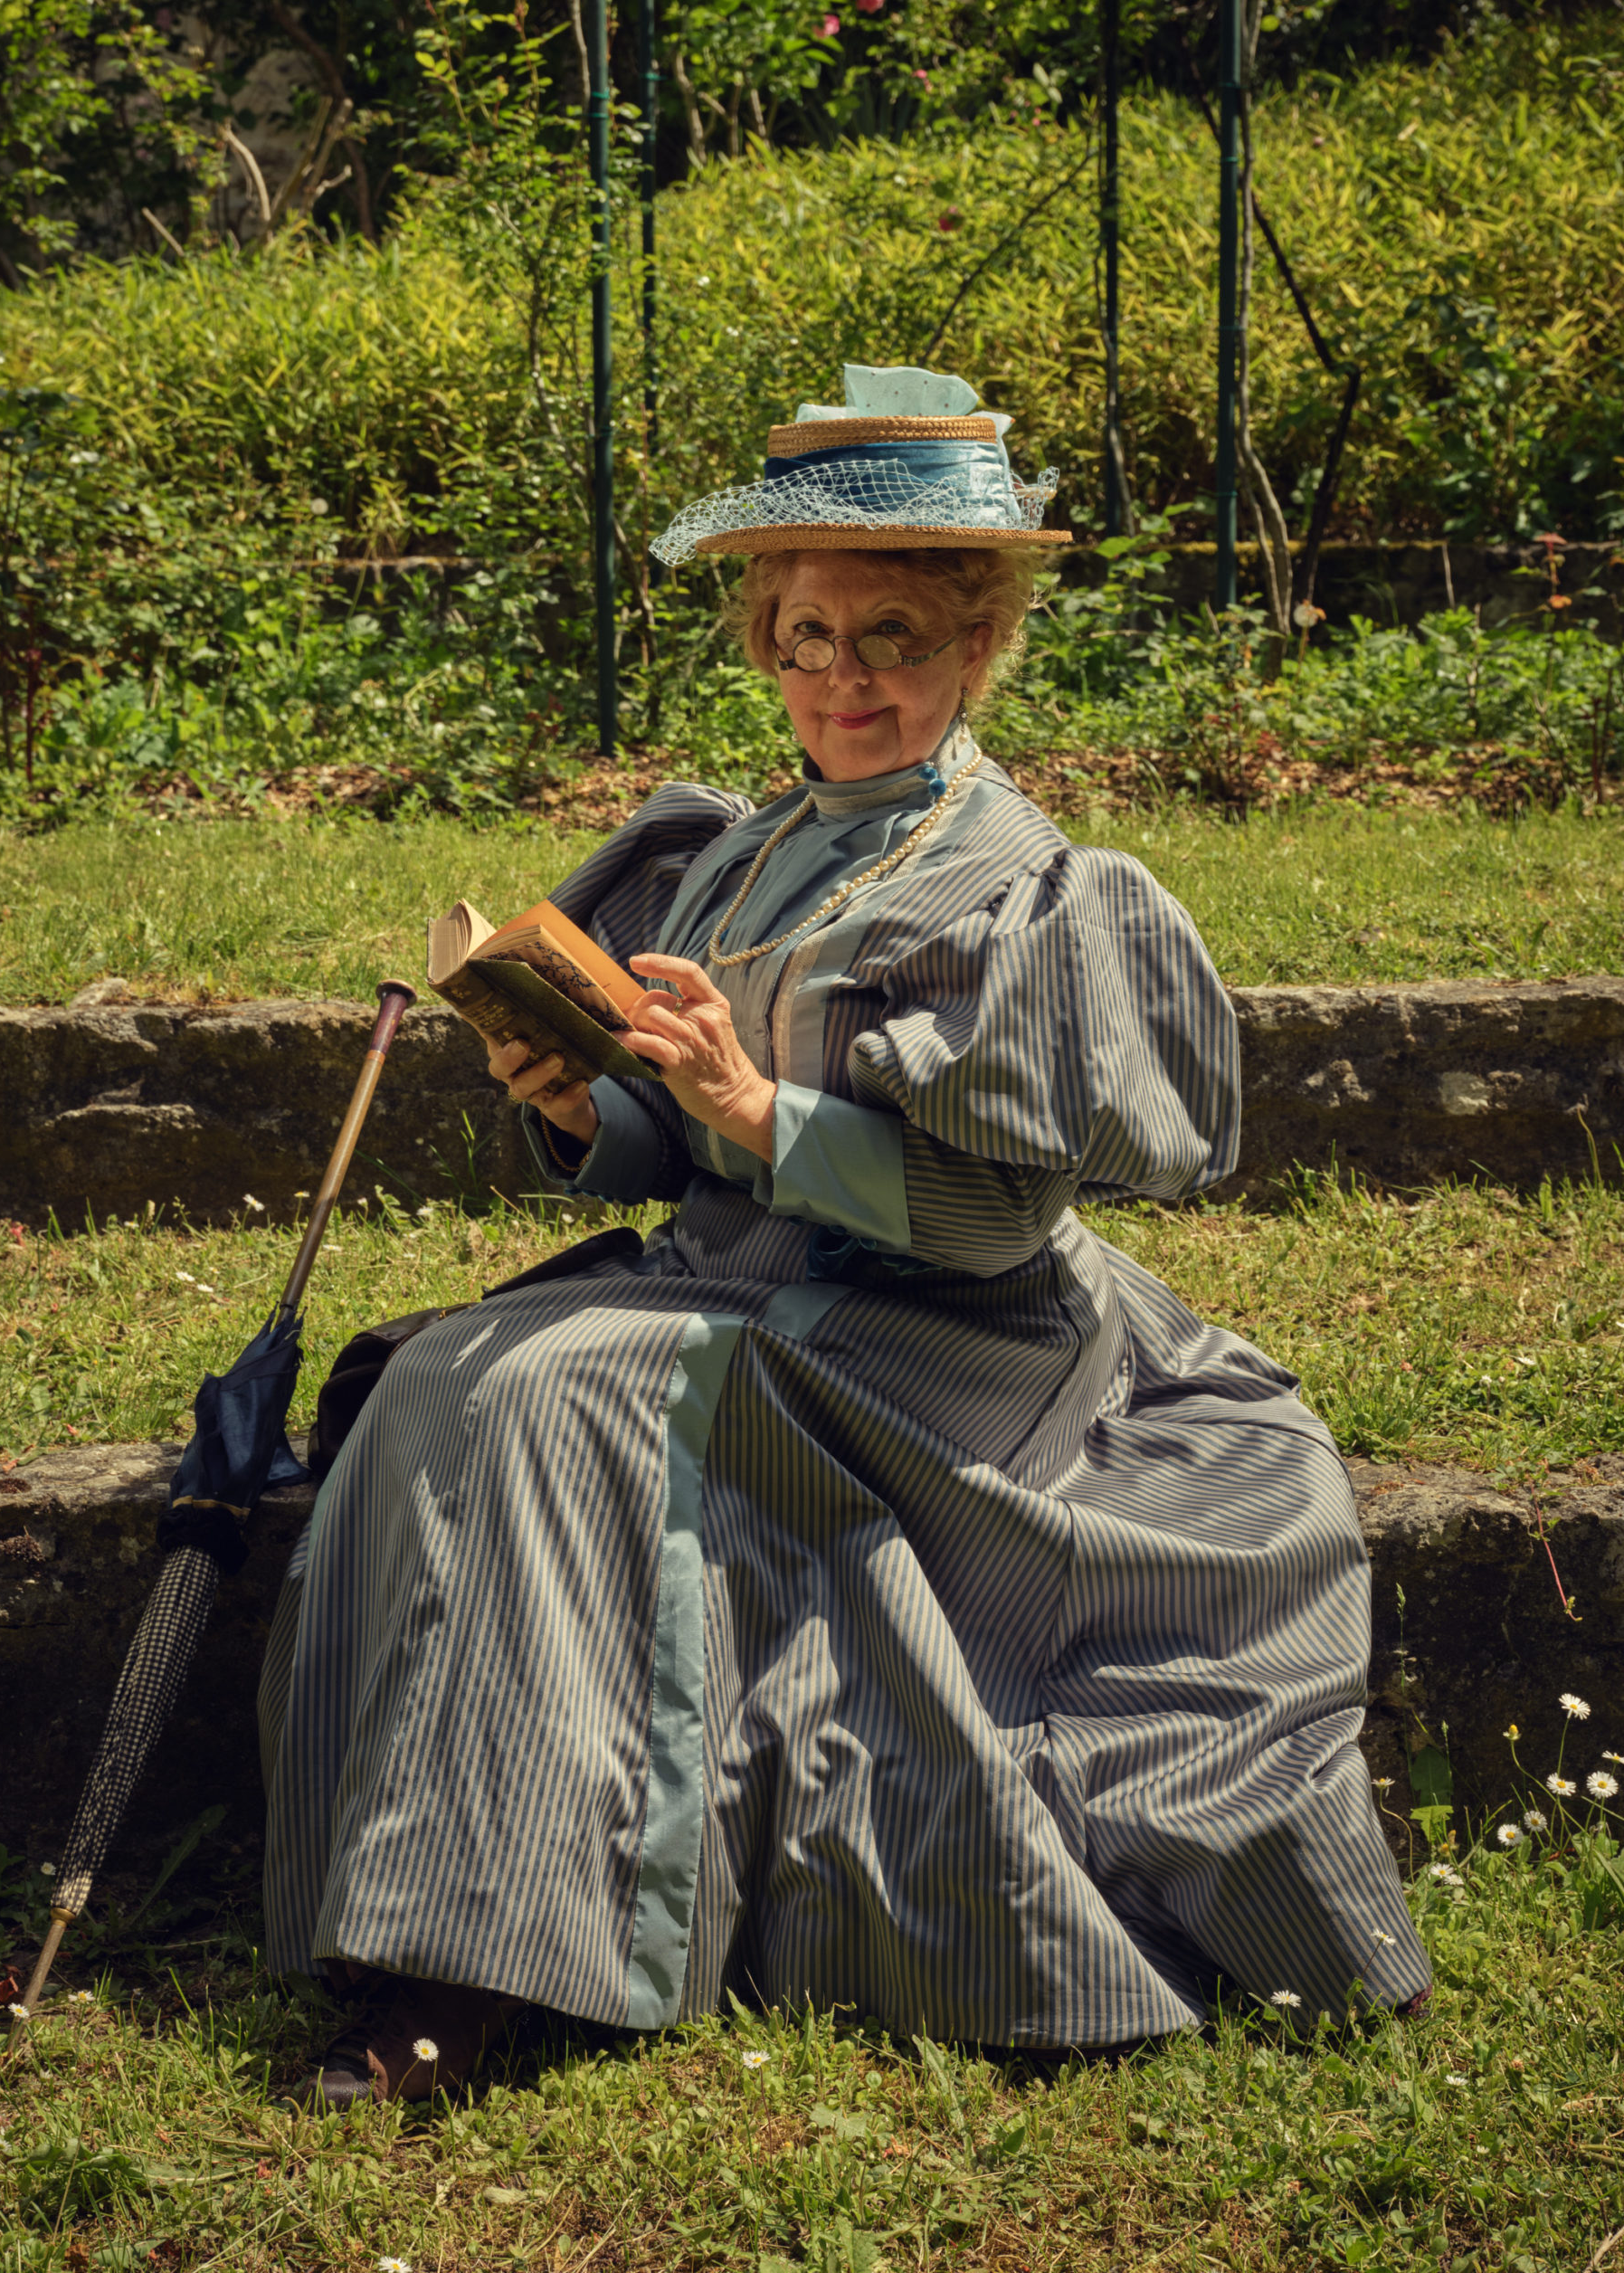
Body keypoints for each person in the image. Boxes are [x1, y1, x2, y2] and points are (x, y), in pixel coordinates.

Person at [259, 364, 1429, 2107]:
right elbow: (683, 1142)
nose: (843, 677)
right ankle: (435, 1899)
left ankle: (480, 1975)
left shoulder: (1024, 886)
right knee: (443, 1379)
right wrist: (584, 1101)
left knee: (552, 1403)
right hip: (742, 1286)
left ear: (978, 643)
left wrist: (751, 1108)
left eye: (891, 635)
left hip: (950, 1332)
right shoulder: (738, 857)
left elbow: (991, 1215)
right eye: (805, 635)